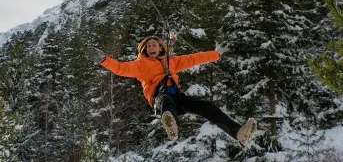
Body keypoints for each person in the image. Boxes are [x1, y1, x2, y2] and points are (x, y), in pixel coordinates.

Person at [88, 35, 257, 145]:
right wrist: (104, 60)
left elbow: (194, 59)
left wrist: (216, 54)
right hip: (159, 97)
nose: (151, 47)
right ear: (145, 51)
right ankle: (171, 124)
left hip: (179, 98)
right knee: (165, 101)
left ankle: (238, 133)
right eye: (148, 46)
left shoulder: (172, 61)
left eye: (154, 45)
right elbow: (121, 68)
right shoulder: (140, 65)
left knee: (206, 107)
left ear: (161, 48)